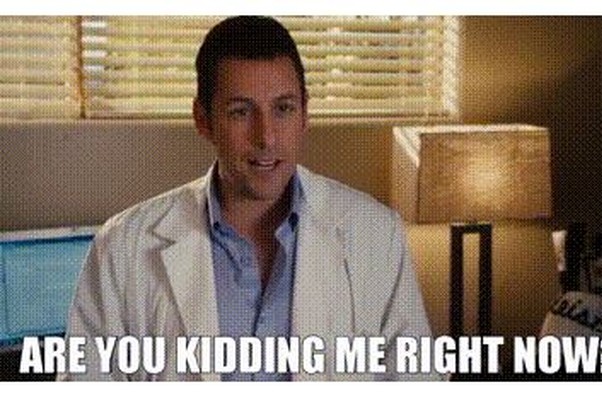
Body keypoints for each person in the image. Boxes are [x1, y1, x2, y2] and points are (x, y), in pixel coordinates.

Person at [58, 16, 441, 381]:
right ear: (203, 120)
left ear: (305, 114)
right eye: (241, 112)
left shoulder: (376, 235)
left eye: (283, 109)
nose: (266, 137)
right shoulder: (124, 246)